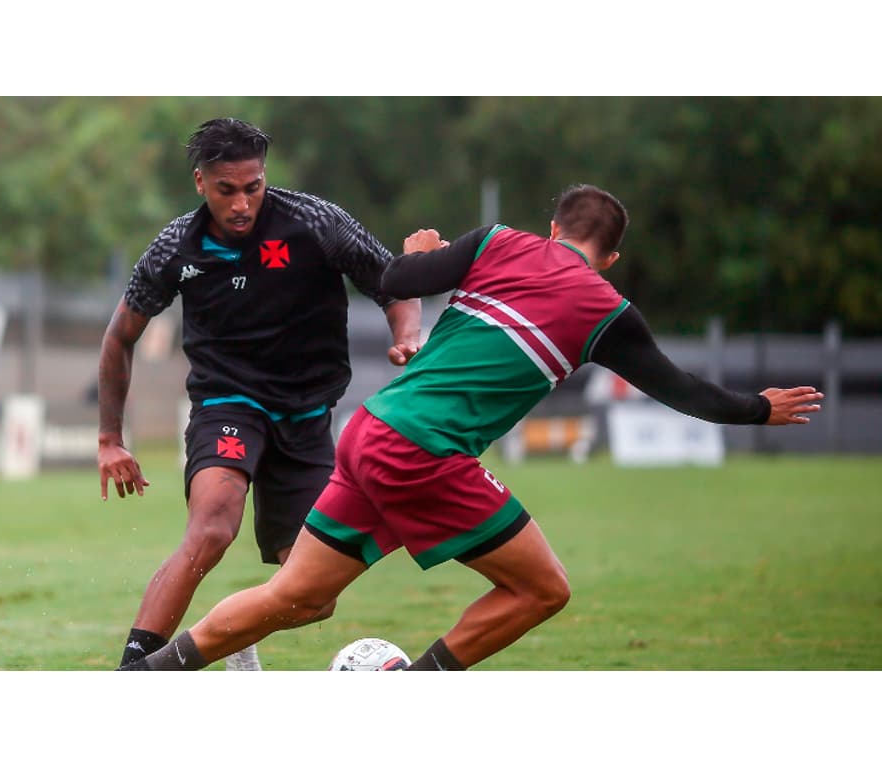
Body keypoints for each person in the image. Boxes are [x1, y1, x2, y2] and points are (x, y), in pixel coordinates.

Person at [118, 183, 824, 672]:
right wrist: (760, 408)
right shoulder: (606, 308)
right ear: (610, 257)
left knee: (296, 596)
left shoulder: (496, 242)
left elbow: (393, 279)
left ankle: (151, 674)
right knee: (544, 589)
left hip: (372, 431)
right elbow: (684, 390)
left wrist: (425, 251)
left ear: (554, 230)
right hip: (426, 453)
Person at [97, 118, 422, 671]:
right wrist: (109, 437)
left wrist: (407, 338)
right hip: (229, 405)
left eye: (254, 187)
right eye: (227, 190)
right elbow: (120, 336)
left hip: (308, 418)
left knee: (314, 595)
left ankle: (226, 634)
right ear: (201, 183)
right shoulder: (177, 246)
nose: (243, 202)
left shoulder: (316, 222)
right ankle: (136, 672)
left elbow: (396, 284)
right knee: (212, 528)